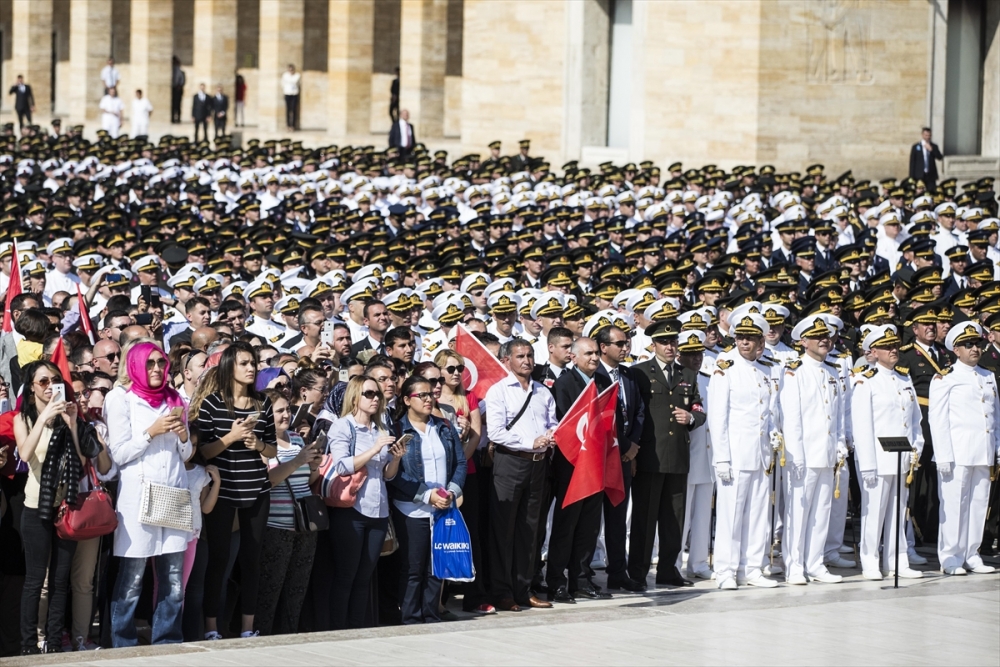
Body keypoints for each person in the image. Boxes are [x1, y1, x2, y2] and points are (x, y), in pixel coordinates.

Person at [104, 343, 191, 647]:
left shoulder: (175, 398)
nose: (156, 368)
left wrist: (181, 434)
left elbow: (187, 452)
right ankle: (122, 643)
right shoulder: (121, 400)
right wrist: (151, 431)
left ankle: (167, 640)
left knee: (174, 580)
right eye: (150, 363)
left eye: (161, 362)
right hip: (139, 495)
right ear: (136, 365)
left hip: (173, 491)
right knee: (133, 579)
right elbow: (120, 453)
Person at [194, 341, 278, 639]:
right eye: (244, 363)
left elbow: (272, 449)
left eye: (253, 362)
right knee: (218, 558)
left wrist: (258, 445)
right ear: (230, 366)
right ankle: (211, 627)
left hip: (256, 488)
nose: (251, 367)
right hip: (222, 490)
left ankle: (247, 627)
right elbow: (202, 451)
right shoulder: (212, 403)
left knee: (252, 559)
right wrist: (231, 437)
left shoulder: (262, 403)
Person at [14, 361, 85, 654]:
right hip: (35, 508)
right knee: (34, 581)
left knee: (60, 580)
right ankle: (28, 645)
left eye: (54, 380)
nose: (49, 386)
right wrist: (44, 418)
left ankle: (54, 643)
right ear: (32, 387)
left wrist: (72, 423)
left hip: (65, 506)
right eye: (42, 381)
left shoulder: (68, 416)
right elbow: (25, 453)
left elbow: (79, 465)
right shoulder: (24, 418)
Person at [484, 338, 557, 612]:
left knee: (531, 529)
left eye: (529, 355)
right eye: (520, 356)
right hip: (511, 462)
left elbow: (553, 423)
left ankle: (524, 589)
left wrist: (551, 436)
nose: (526, 361)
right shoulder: (498, 392)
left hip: (539, 466)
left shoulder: (543, 392)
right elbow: (496, 432)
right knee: (504, 530)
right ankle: (502, 591)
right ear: (508, 360)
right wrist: (530, 443)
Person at [327, 375, 405, 629]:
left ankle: (357, 628)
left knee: (364, 576)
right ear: (355, 397)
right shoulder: (343, 426)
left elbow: (387, 475)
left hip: (378, 509)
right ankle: (339, 629)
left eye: (377, 394)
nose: (375, 399)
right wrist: (373, 450)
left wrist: (395, 458)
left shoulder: (381, 427)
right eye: (369, 394)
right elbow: (341, 465)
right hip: (351, 509)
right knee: (346, 575)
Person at [630, 320, 703, 588]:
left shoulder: (688, 374)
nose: (670, 346)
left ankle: (668, 570)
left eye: (673, 341)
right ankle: (637, 572)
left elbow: (698, 408)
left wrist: (692, 417)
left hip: (678, 456)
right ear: (653, 345)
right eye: (664, 342)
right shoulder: (638, 373)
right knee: (644, 519)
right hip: (650, 456)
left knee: (674, 518)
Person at [707, 313, 778, 590]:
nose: (744, 342)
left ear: (761, 341)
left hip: (760, 455)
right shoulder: (725, 368)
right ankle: (725, 570)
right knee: (730, 516)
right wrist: (721, 458)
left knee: (759, 514)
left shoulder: (765, 370)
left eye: (750, 337)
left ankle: (752, 567)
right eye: (740, 337)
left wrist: (773, 432)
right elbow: (718, 418)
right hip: (735, 456)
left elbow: (768, 412)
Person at [390, 375, 466, 624]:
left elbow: (460, 462)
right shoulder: (398, 429)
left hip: (443, 507)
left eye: (430, 394)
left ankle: (431, 615)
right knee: (413, 569)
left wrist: (451, 492)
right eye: (420, 395)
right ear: (406, 400)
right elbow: (395, 475)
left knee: (436, 567)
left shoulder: (444, 426)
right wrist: (426, 495)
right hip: (412, 509)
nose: (427, 398)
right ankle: (410, 618)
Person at [778, 315, 848, 585]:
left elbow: (838, 415)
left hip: (827, 453)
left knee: (822, 510)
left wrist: (840, 444)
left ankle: (815, 562)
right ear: (802, 341)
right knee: (798, 512)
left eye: (827, 336)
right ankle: (795, 566)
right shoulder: (795, 371)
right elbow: (792, 418)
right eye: (818, 336)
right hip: (803, 455)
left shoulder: (833, 370)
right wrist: (795, 455)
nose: (824, 340)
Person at [851, 325, 925, 580]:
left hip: (900, 456)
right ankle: (870, 560)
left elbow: (914, 419)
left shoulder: (904, 378)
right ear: (874, 351)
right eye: (887, 347)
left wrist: (917, 446)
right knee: (873, 513)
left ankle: (897, 560)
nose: (893, 350)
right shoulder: (865, 380)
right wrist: (868, 464)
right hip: (877, 458)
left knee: (898, 510)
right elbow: (861, 426)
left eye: (895, 345)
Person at [928, 322, 999, 575]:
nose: (974, 349)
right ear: (956, 350)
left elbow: (995, 416)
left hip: (983, 451)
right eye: (968, 345)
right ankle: (950, 557)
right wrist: (944, 455)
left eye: (977, 344)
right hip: (957, 453)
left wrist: (997, 448)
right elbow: (937, 420)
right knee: (954, 505)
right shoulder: (945, 378)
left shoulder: (987, 375)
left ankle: (972, 553)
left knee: (979, 505)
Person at [546, 337, 608, 602]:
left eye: (596, 353)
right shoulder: (564, 383)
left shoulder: (603, 382)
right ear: (574, 356)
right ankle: (557, 581)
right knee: (566, 526)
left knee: (589, 526)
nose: (594, 358)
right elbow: (563, 422)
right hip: (572, 466)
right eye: (589, 353)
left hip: (596, 464)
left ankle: (581, 579)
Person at [255, 388, 322, 635]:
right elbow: (266, 481)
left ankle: (290, 635)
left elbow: (308, 480)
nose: (286, 415)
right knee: (270, 588)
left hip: (305, 525)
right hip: (276, 526)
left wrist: (313, 465)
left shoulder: (296, 439)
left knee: (297, 588)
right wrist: (297, 461)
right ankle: (263, 636)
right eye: (279, 410)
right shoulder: (261, 442)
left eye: (288, 409)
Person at [434, 349, 492, 614]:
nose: (457, 373)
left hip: (464, 475)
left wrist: (456, 467)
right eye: (451, 369)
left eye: (460, 368)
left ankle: (474, 595)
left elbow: (476, 437)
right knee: (439, 537)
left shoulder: (469, 397)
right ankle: (438, 599)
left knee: (469, 535)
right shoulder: (431, 399)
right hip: (435, 479)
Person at [908, 127, 943, 193]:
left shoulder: (934, 146)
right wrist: (911, 177)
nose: (928, 137)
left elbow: (940, 157)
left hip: (930, 175)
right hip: (919, 175)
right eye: (926, 135)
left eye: (929, 135)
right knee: (919, 192)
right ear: (922, 135)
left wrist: (931, 150)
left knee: (931, 192)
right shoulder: (916, 147)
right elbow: (912, 162)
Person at [281, 64, 301, 131]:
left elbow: (296, 82)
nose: (291, 71)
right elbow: (283, 84)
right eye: (289, 70)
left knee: (294, 110)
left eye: (292, 70)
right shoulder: (285, 75)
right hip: (287, 93)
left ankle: (293, 125)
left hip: (294, 93)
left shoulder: (297, 75)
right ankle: (288, 125)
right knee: (288, 110)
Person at [171, 56, 186, 123]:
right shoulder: (171, 70)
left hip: (177, 89)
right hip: (172, 89)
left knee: (178, 105)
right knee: (172, 105)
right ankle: (172, 118)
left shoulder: (180, 71)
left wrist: (179, 86)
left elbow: (182, 81)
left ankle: (178, 118)